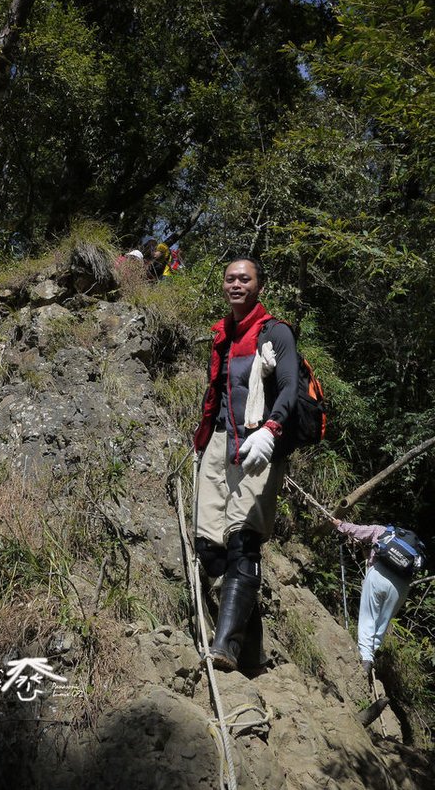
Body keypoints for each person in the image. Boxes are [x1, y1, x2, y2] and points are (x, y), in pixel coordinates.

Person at [194, 255, 298, 673]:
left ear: (258, 286)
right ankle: (248, 651)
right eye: (230, 279)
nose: (236, 284)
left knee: (243, 539)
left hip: (258, 442)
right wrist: (203, 441)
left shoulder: (275, 332)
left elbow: (290, 384)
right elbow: (217, 392)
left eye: (245, 279)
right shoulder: (222, 334)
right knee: (209, 544)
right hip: (220, 442)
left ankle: (225, 646)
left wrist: (272, 429)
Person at [330, 519, 419, 677]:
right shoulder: (413, 548)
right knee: (382, 622)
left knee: (368, 617)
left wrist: (339, 524)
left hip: (379, 574)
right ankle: (371, 653)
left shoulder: (382, 531)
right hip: (401, 586)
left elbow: (357, 531)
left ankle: (365, 659)